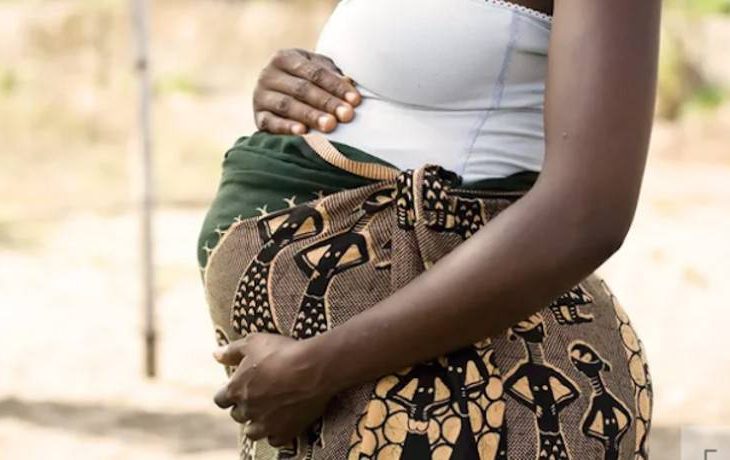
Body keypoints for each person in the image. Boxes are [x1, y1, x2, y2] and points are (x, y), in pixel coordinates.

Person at [201, 0, 661, 458]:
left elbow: (584, 215)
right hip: (355, 388)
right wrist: (296, 85)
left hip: (466, 384)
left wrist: (316, 367)